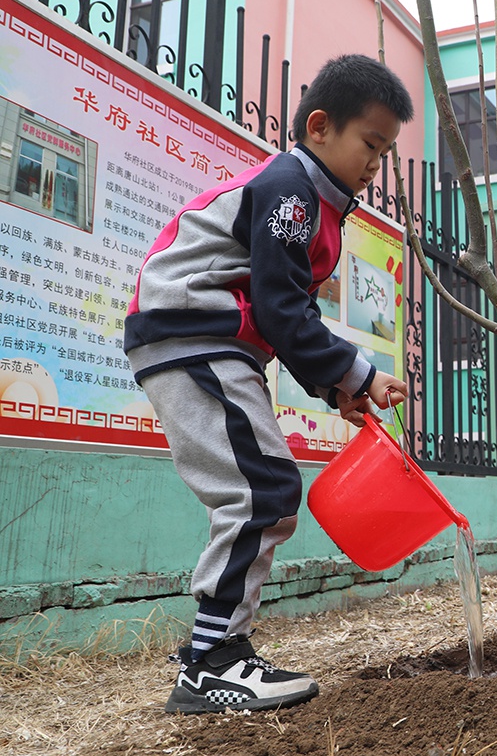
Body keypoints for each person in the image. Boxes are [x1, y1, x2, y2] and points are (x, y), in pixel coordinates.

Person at [124, 55, 415, 713]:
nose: (377, 166)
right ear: (320, 127)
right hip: (192, 331)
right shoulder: (292, 189)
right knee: (262, 489)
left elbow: (286, 315)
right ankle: (209, 666)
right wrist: (359, 373)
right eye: (370, 145)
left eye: (386, 152)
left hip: (210, 340)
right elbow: (283, 312)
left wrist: (338, 388)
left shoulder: (314, 204)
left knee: (262, 487)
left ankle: (218, 649)